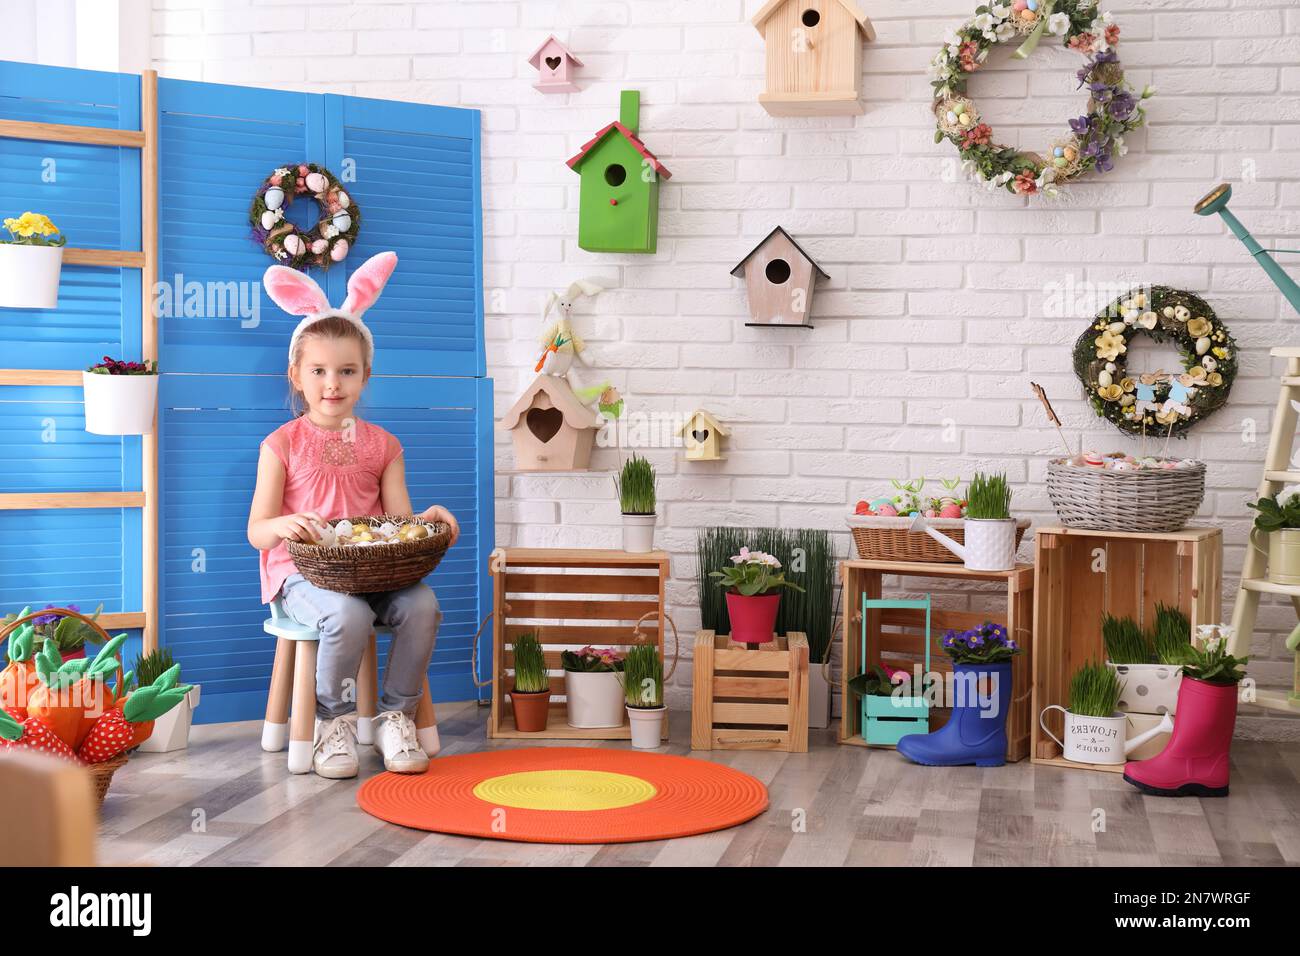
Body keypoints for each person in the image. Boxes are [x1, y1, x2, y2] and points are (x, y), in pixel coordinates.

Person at [247, 251, 459, 779]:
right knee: (347, 615)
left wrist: (431, 524)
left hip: (375, 572)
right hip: (302, 576)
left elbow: (399, 529)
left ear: (366, 375)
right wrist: (282, 527)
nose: (332, 384)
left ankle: (395, 715)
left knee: (424, 606)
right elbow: (257, 531)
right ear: (296, 375)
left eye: (346, 371)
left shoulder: (383, 445)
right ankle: (332, 721)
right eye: (318, 371)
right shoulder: (281, 444)